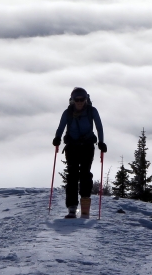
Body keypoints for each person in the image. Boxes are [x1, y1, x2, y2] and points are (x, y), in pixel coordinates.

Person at [52, 87, 107, 218]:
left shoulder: (91, 111)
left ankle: (84, 205)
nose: (80, 102)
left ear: (86, 99)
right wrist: (57, 138)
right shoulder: (68, 113)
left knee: (84, 174)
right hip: (72, 146)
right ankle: (73, 207)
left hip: (87, 145)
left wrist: (101, 142)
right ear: (72, 100)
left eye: (82, 99)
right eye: (77, 99)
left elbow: (99, 128)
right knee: (72, 175)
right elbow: (60, 127)